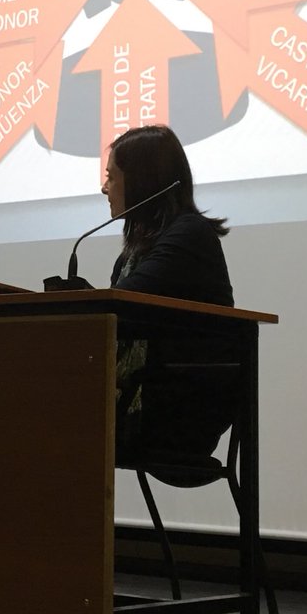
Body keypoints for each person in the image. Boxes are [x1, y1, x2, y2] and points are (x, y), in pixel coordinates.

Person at [100, 125, 234, 465]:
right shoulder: (134, 253)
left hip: (179, 412)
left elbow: (124, 305)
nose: (104, 188)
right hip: (145, 398)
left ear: (142, 180)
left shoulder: (189, 235)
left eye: (111, 177)